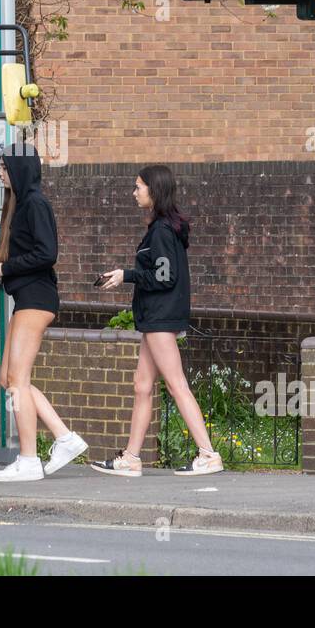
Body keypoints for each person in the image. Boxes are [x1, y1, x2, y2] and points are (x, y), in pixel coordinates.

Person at [93, 164, 223, 477]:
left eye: (139, 186)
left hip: (160, 317)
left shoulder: (162, 231)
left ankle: (208, 454)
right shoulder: (162, 228)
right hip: (155, 318)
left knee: (177, 385)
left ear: (154, 191)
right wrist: (128, 275)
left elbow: (165, 276)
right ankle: (132, 458)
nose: (134, 192)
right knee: (142, 385)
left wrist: (127, 275)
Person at [0, 143, 87, 482]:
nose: (0, 173)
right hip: (26, 298)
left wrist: (6, 269)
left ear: (20, 169)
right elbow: (28, 253)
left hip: (37, 299)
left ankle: (28, 460)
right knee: (8, 379)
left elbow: (47, 253)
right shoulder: (20, 204)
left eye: (5, 167)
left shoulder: (36, 204)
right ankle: (65, 438)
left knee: (17, 381)